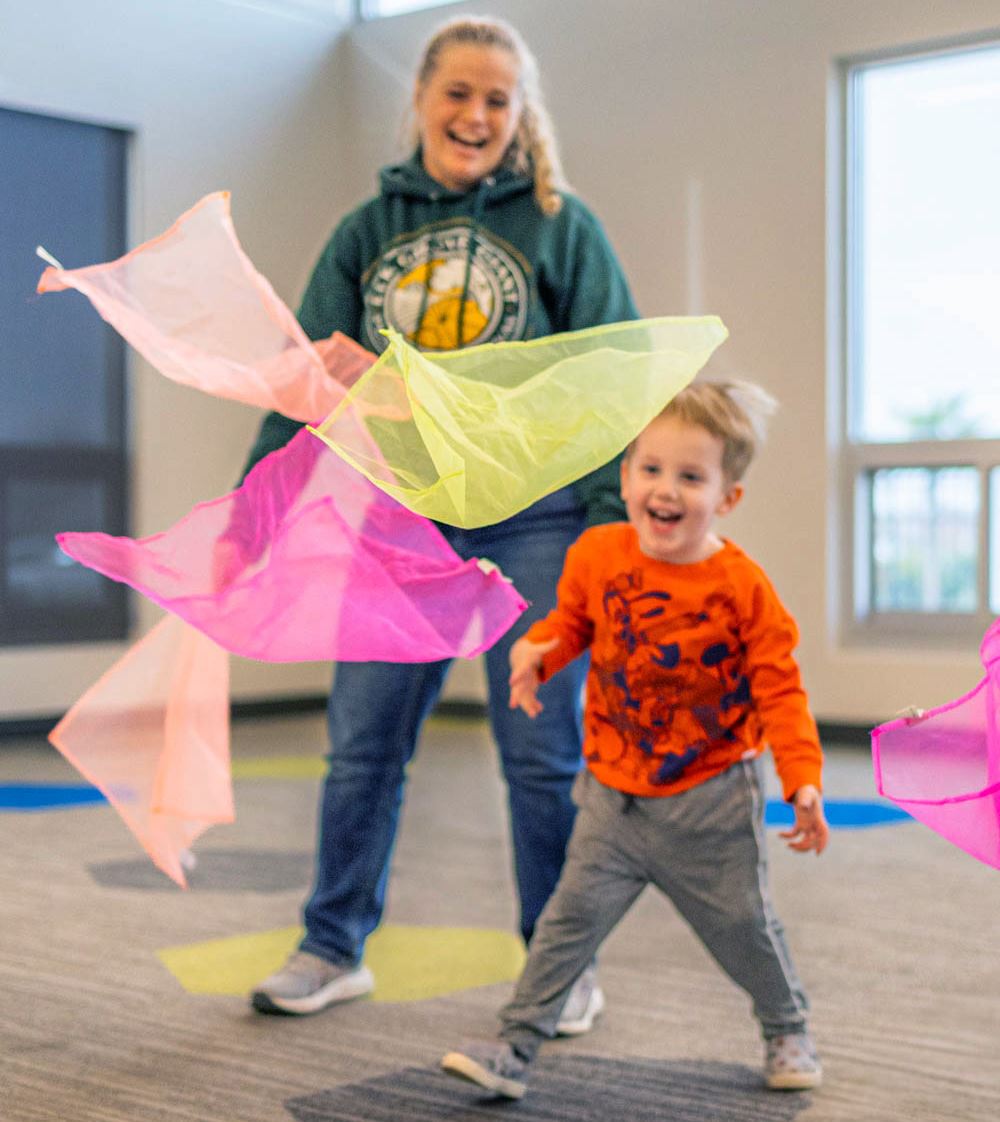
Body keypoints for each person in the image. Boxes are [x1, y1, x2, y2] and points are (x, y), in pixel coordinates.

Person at [247, 15, 638, 1029]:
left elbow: (610, 381)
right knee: (364, 746)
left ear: (521, 115)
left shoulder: (561, 225)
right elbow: (305, 380)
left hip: (534, 524)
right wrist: (261, 507)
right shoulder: (365, 233)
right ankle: (332, 946)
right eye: (458, 93)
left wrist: (606, 523)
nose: (475, 115)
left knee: (541, 752)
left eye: (497, 100)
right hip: (399, 526)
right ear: (420, 100)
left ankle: (557, 966)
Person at [440, 380, 829, 1100]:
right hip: (613, 796)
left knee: (744, 928)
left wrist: (801, 777)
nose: (665, 490)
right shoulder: (597, 552)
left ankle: (786, 1024)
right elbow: (575, 623)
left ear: (727, 498)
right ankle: (514, 1048)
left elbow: (780, 690)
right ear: (624, 478)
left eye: (690, 476)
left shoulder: (742, 588)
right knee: (565, 924)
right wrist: (540, 652)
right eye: (649, 470)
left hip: (710, 803)